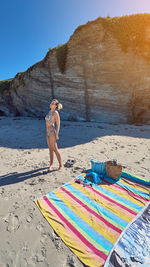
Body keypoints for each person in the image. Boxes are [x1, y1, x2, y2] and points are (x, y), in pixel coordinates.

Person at [45, 99, 63, 171]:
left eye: (53, 103)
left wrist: (57, 134)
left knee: (55, 149)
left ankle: (61, 165)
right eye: (51, 103)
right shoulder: (49, 112)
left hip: (52, 132)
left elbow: (58, 124)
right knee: (50, 149)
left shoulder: (56, 113)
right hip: (47, 132)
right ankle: (51, 164)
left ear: (55, 106)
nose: (51, 104)